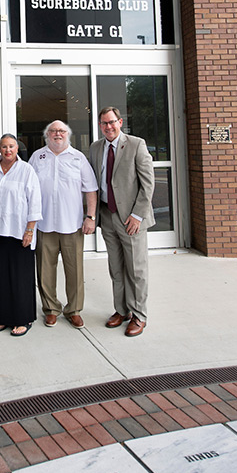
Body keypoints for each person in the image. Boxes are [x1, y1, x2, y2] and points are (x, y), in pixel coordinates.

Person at [89, 107, 155, 337]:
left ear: (120, 122)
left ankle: (139, 315)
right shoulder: (96, 148)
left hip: (131, 218)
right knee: (116, 268)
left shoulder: (136, 144)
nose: (108, 127)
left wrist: (138, 215)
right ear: (100, 126)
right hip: (107, 215)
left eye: (112, 122)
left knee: (136, 269)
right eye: (104, 123)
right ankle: (121, 310)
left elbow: (148, 184)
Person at [29, 121, 98, 329]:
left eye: (61, 131)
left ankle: (74, 310)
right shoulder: (37, 157)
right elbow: (28, 188)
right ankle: (51, 309)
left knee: (75, 270)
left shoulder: (78, 158)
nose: (57, 134)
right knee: (44, 270)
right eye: (53, 131)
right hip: (44, 223)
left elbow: (91, 189)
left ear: (67, 134)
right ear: (46, 135)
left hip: (72, 224)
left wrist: (91, 217)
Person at [0, 134, 42, 337]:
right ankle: (1, 316)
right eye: (4, 146)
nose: (7, 150)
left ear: (17, 148)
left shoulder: (26, 170)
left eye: (11, 146)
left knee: (20, 277)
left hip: (18, 231)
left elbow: (35, 202)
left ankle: (23, 318)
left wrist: (30, 230)